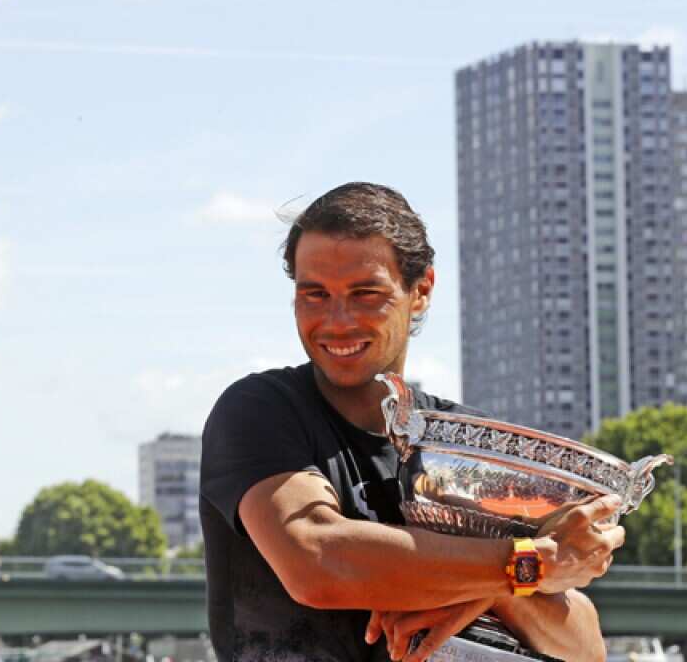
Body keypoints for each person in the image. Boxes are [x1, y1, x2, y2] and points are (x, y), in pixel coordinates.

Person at [199, 182, 621, 662]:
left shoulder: (468, 441)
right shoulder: (260, 410)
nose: (337, 320)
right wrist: (525, 564)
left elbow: (584, 649)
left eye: (365, 293)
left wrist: (502, 584)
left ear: (420, 291)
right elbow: (317, 559)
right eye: (314, 294)